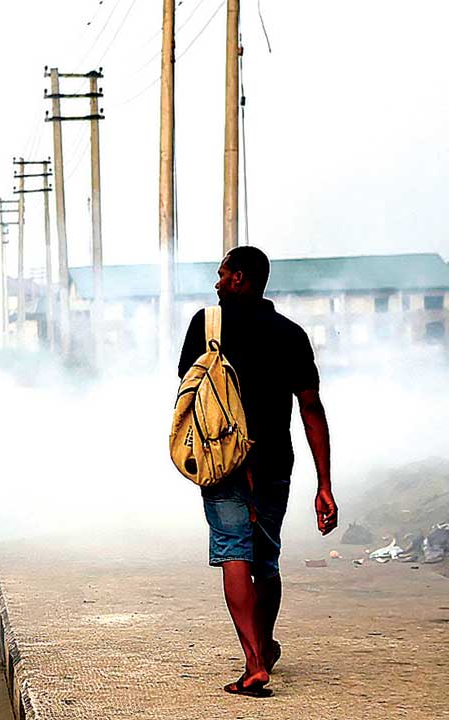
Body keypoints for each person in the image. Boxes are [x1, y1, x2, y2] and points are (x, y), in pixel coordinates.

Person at [176, 246, 338, 698]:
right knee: (265, 561)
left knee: (234, 555)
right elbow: (311, 409)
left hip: (221, 462)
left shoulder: (206, 326)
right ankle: (264, 648)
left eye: (223, 275)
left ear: (241, 278)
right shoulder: (291, 334)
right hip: (274, 463)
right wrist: (324, 484)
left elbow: (188, 394)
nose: (217, 283)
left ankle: (253, 665)